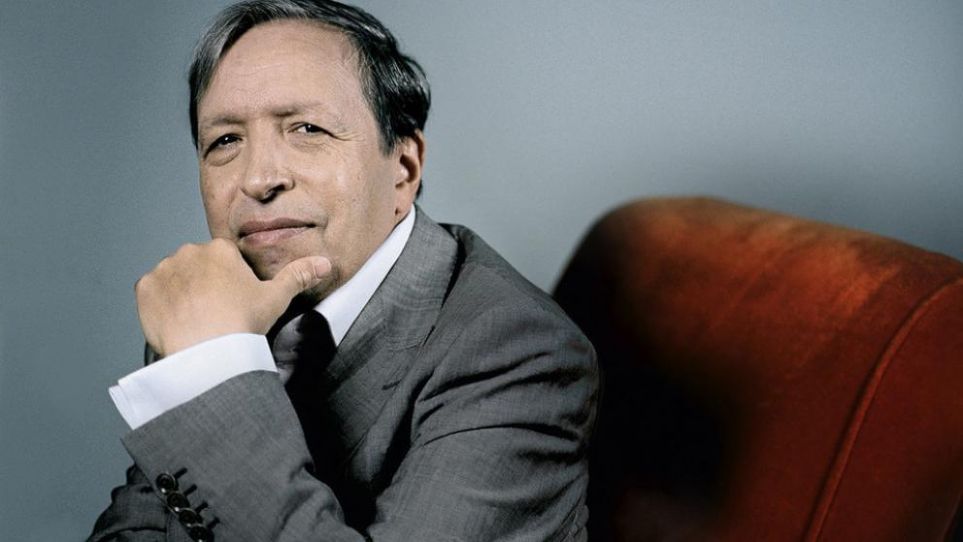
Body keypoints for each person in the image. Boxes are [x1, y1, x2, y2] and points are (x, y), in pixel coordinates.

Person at [88, 1, 598, 540]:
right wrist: (211, 355)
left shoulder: (517, 351)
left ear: (403, 169)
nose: (258, 179)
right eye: (225, 141)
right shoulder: (220, 313)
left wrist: (212, 371)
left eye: (307, 129)